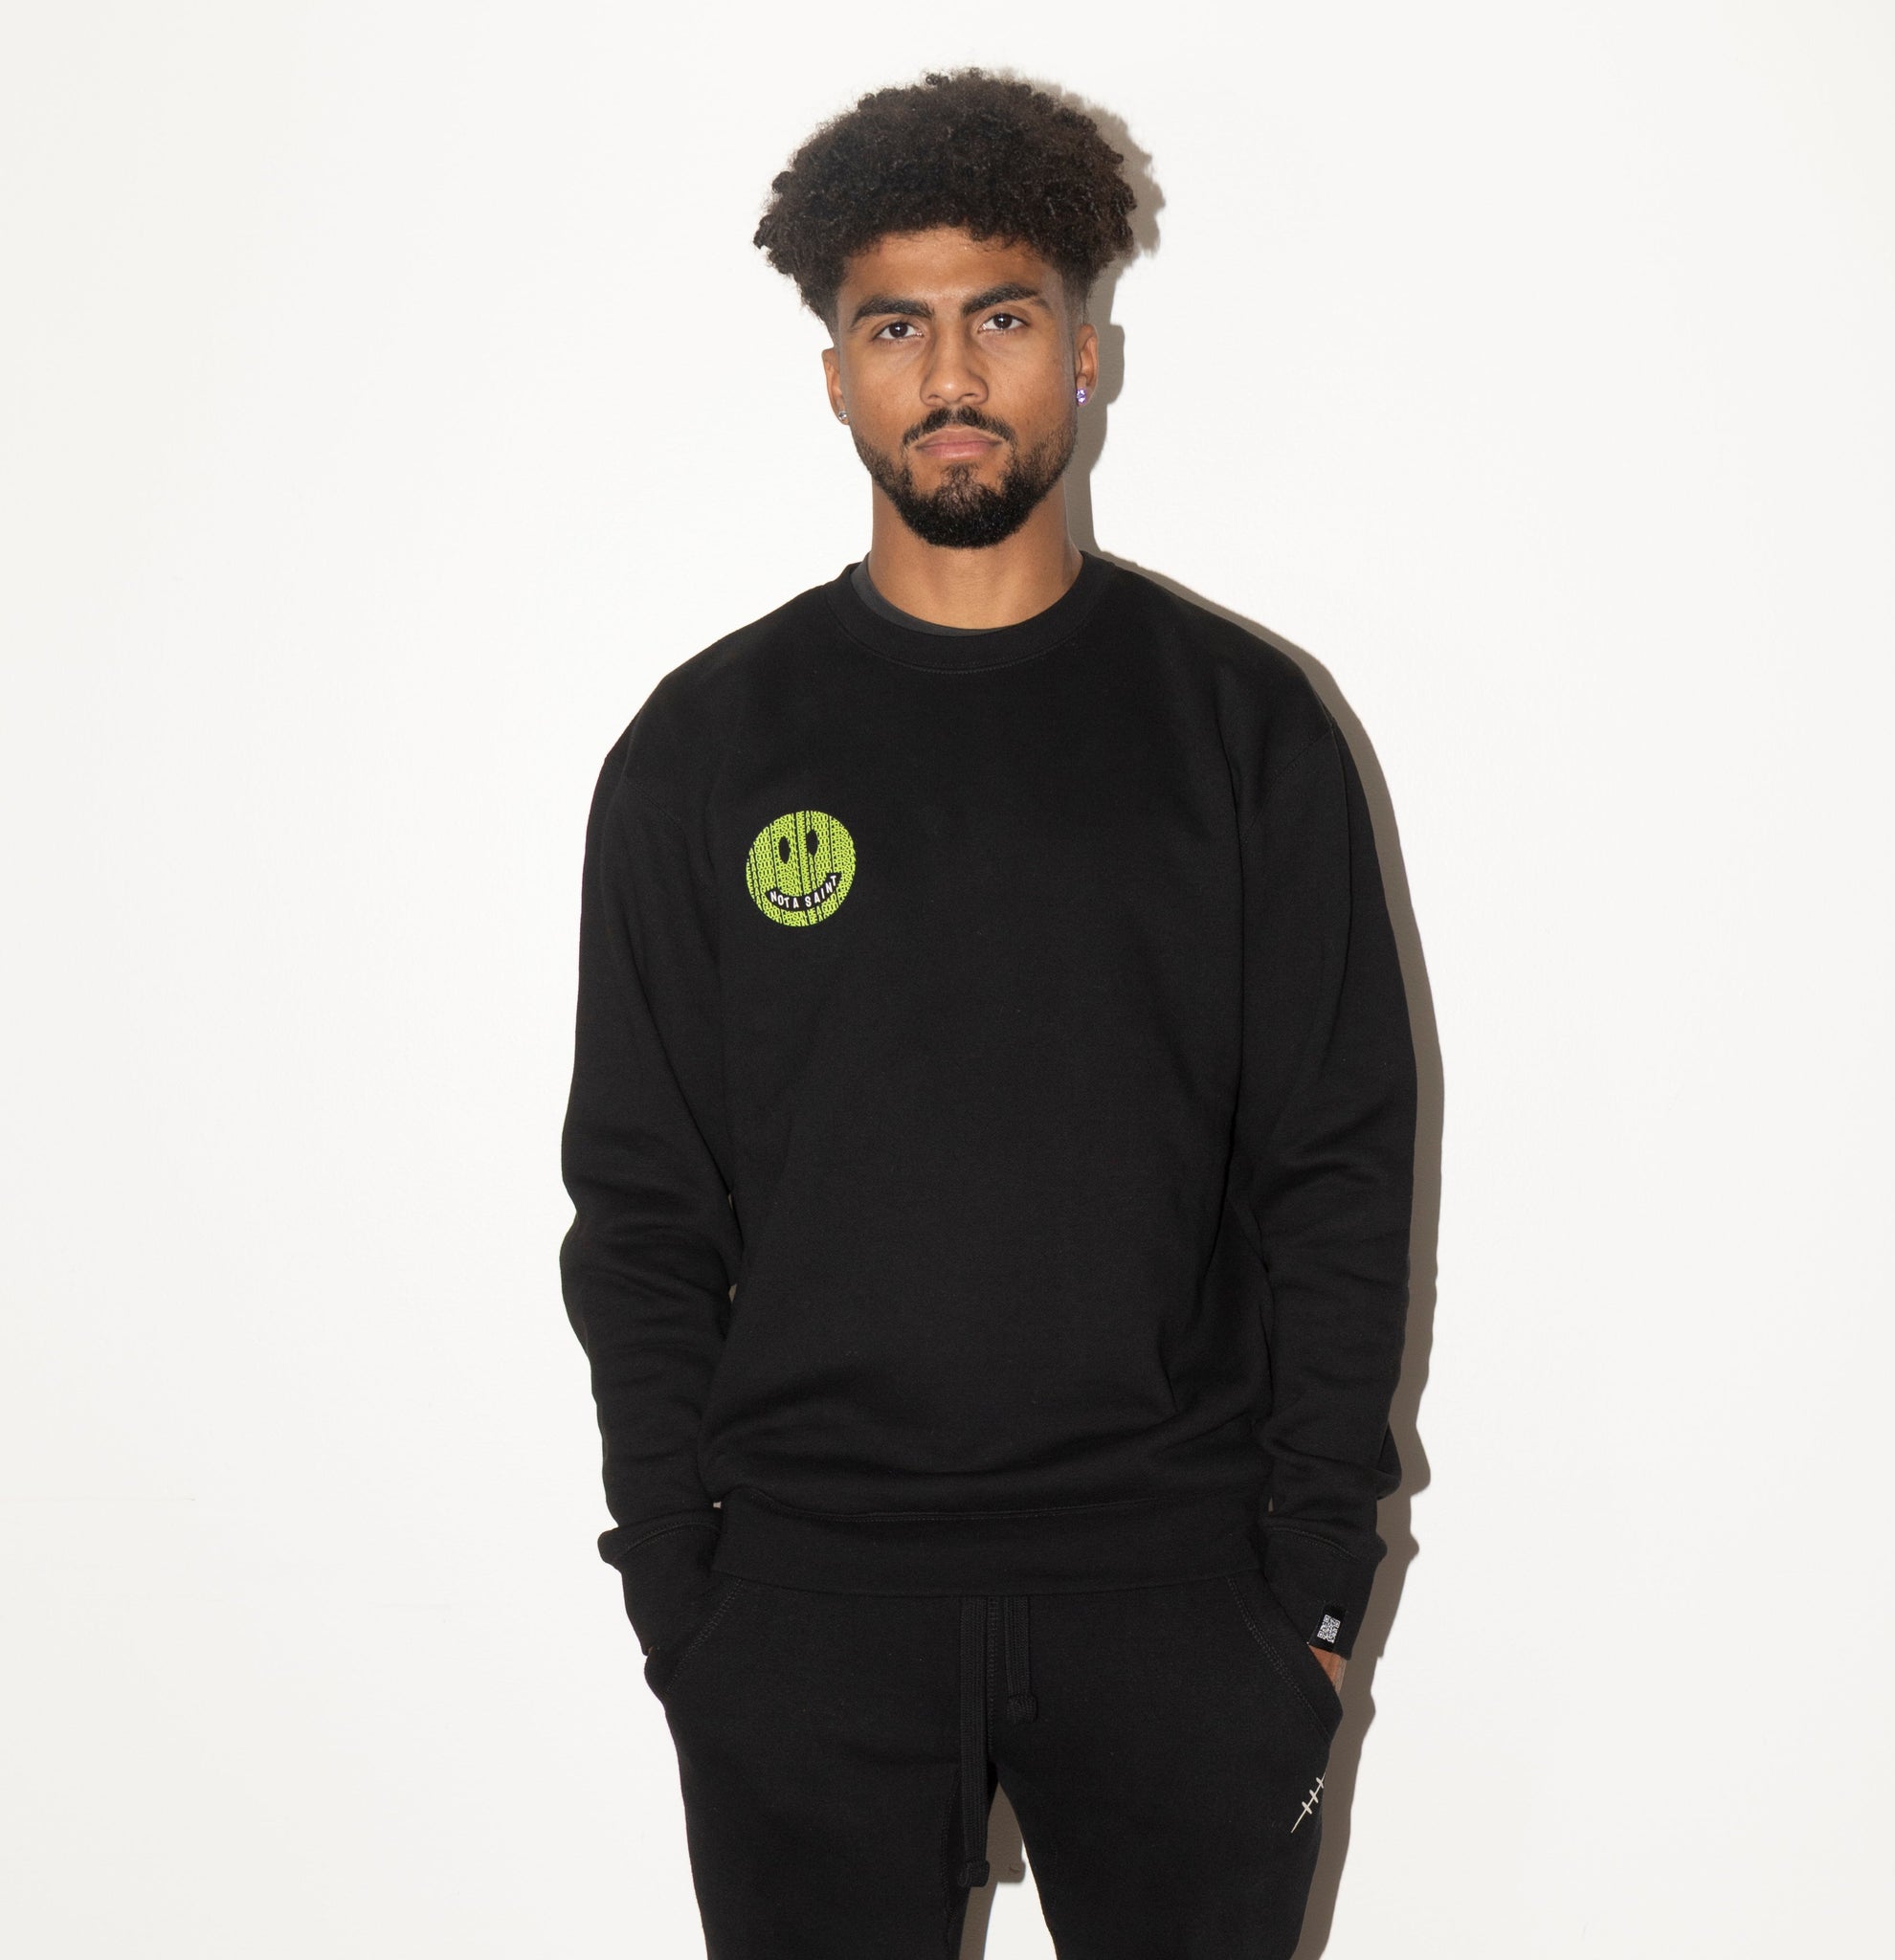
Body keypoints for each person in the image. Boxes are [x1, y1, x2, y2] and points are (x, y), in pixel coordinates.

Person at [559, 68, 1417, 1960]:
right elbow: (642, 1205)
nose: (951, 374)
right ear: (837, 376)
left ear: (1084, 355)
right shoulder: (704, 752)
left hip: (1178, 1594)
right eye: (898, 327)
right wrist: (684, 1596)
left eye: (1001, 318)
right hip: (808, 1607)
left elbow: (1339, 1169)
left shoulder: (1240, 730)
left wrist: (1310, 1587)